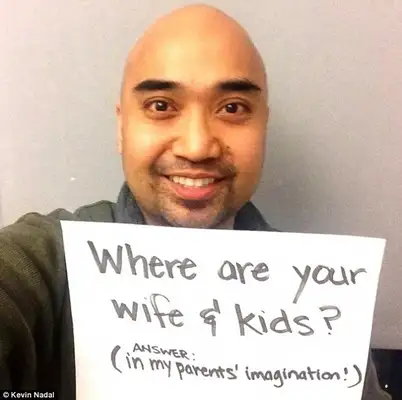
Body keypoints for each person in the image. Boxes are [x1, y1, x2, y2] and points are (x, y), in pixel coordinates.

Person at [0, 4, 390, 400]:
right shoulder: (42, 264)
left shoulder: (323, 306)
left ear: (263, 127)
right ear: (122, 127)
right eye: (161, 106)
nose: (197, 146)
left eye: (233, 108)